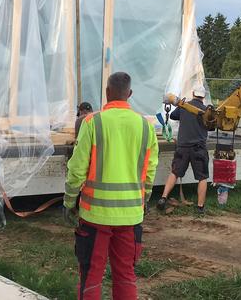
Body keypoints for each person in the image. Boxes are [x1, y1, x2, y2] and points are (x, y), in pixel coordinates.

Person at [64, 72, 158, 300]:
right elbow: (150, 171)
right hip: (131, 216)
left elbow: (77, 169)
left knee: (91, 276)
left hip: (95, 216)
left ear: (107, 92)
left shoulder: (93, 122)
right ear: (130, 94)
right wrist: (144, 200)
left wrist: (69, 202)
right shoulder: (146, 127)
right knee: (125, 275)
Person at [156, 85, 209, 214]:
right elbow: (212, 126)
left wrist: (181, 106)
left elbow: (173, 116)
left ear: (193, 93)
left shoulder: (185, 106)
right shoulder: (206, 111)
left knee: (175, 172)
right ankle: (200, 207)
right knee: (202, 177)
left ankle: (163, 198)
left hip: (183, 147)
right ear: (203, 96)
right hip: (199, 148)